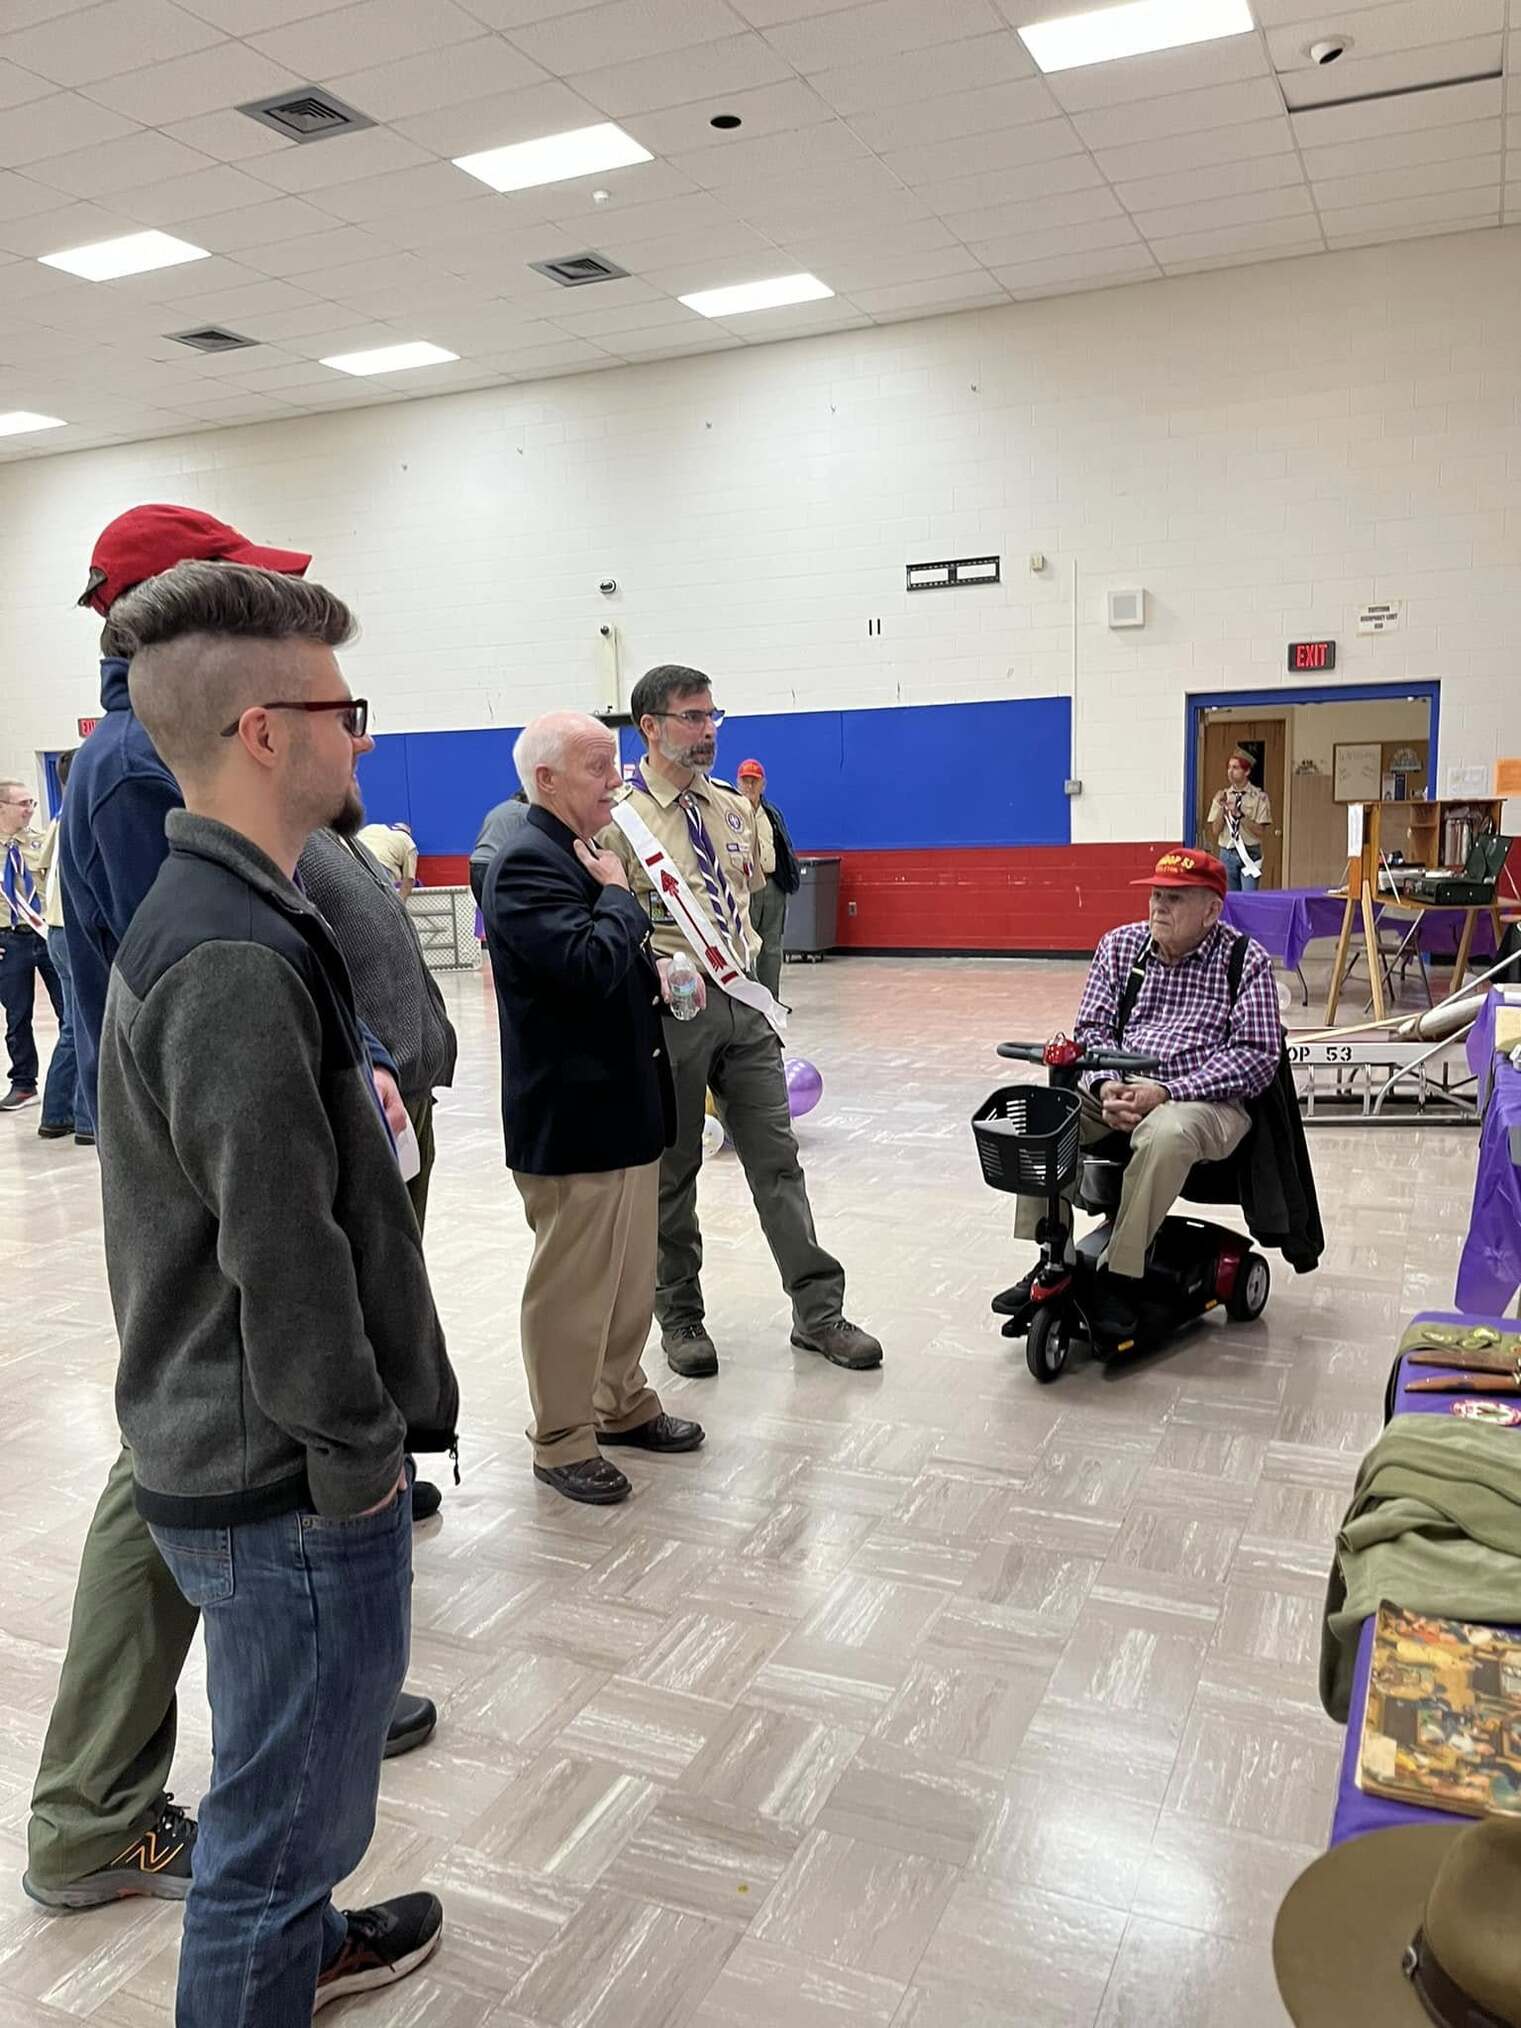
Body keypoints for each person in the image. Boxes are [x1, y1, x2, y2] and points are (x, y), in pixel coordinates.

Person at [26, 505, 438, 1919]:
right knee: (180, 1468)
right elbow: (222, 1035)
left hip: (239, 1189)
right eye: (259, 592)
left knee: (176, 1467)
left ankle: (207, 1746)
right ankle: (101, 1815)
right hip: (219, 1204)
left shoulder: (151, 751)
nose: (285, 603)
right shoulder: (154, 760)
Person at [599, 665, 882, 1378]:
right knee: (675, 1171)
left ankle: (818, 1313)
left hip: (743, 1007)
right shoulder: (617, 819)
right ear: (650, 728)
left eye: (711, 717)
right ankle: (682, 1317)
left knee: (777, 1162)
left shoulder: (730, 808)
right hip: (671, 1012)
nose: (706, 732)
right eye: (691, 718)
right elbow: (609, 918)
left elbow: (745, 894)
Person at [486, 711, 704, 1504]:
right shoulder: (523, 864)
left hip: (625, 1110)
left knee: (627, 1282)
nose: (616, 778)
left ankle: (619, 1402)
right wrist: (621, 904)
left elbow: (608, 968)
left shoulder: (583, 850)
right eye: (596, 766)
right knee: (574, 1291)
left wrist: (656, 975)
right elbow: (579, 966)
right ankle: (561, 1439)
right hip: (573, 1121)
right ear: (545, 779)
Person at [1009, 848, 1281, 1336]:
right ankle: (1052, 1258)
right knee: (1044, 1115)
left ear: (1212, 910)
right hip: (1122, 1082)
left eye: (1175, 899)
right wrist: (1105, 1082)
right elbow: (1091, 1029)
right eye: (1156, 895)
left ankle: (1120, 1274)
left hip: (1204, 1099)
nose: (1158, 907)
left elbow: (1257, 1057)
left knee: (1167, 1134)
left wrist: (1169, 1090)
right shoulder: (1119, 947)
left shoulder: (1246, 961)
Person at [297, 821, 457, 1232]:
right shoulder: (295, 842)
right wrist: (371, 1060)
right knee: (382, 1261)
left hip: (411, 1089)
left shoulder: (346, 840)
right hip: (375, 1093)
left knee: (406, 1254)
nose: (361, 751)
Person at [36, 752, 93, 1145]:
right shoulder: (82, 813)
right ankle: (82, 1119)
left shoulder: (58, 819)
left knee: (73, 1024)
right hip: (69, 930)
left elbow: (40, 869)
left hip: (55, 928)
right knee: (84, 1025)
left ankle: (59, 1113)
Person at [1, 777, 62, 1113]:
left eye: (31, 803)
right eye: (22, 803)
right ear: (2, 807)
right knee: (18, 1016)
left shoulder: (40, 842)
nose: (29, 809)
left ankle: (72, 1079)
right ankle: (24, 1084)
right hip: (8, 941)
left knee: (68, 1010)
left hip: (45, 934)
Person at [736, 758, 800, 1003]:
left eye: (754, 780)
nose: (750, 785)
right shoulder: (731, 811)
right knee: (746, 945)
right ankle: (750, 1000)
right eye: (745, 780)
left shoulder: (771, 813)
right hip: (745, 886)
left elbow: (784, 845)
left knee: (772, 946)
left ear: (763, 784)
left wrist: (789, 875)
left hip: (773, 885)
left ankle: (771, 999)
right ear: (738, 782)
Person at [1207, 745, 1272, 891]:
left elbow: (1260, 831)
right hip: (1227, 852)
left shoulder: (1259, 797)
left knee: (1248, 898)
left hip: (1249, 852)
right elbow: (1215, 831)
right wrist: (1222, 810)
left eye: (1235, 768)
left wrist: (1239, 815)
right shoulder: (1222, 796)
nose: (1230, 772)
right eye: (1229, 767)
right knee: (1230, 899)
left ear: (1247, 771)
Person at [470, 789, 529, 904]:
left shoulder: (497, 810)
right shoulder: (524, 811)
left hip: (476, 865)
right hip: (496, 867)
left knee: (489, 915)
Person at [356, 818, 417, 900]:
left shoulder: (371, 827)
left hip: (352, 861)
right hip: (380, 867)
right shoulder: (408, 842)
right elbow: (409, 879)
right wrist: (399, 906)